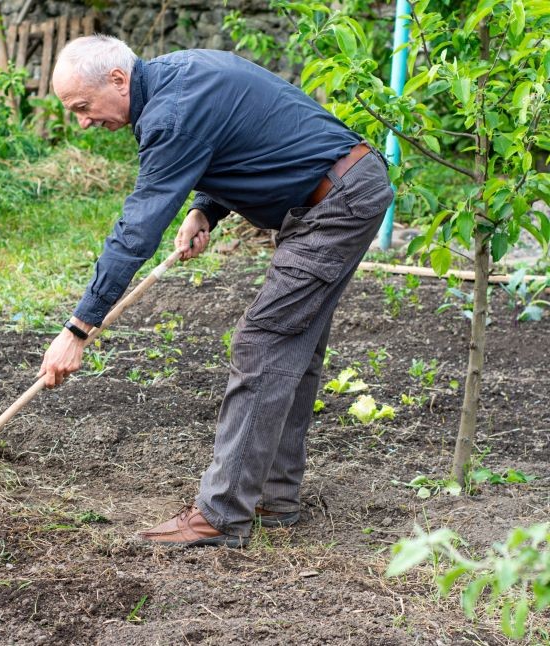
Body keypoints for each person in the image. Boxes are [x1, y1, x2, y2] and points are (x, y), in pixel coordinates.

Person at [40, 35, 393, 547]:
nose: (82, 121)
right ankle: (273, 496)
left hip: (333, 206)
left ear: (118, 80)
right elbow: (240, 135)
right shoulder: (182, 74)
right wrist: (205, 208)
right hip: (343, 188)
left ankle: (223, 513)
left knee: (264, 342)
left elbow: (137, 230)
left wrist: (78, 327)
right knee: (293, 345)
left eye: (82, 106)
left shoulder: (171, 112)